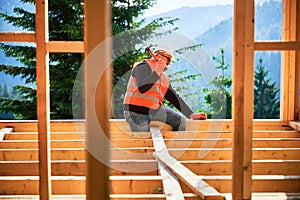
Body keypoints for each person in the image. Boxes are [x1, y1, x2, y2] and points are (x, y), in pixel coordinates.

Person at [123, 45, 207, 132]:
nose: (169, 63)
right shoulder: (142, 67)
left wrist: (191, 114)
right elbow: (142, 88)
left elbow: (174, 97)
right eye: (168, 59)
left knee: (181, 121)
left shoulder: (163, 77)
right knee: (145, 139)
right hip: (136, 112)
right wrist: (157, 72)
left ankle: (175, 145)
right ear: (159, 56)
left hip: (154, 111)